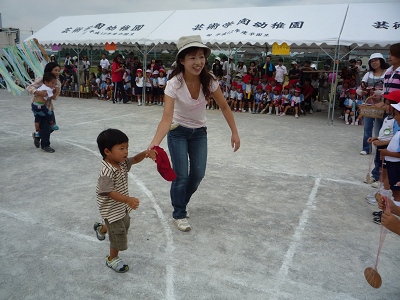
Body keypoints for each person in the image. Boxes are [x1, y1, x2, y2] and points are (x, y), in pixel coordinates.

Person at [148, 35, 240, 232]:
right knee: (181, 176)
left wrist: (234, 132)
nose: (198, 62)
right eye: (192, 57)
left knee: (197, 175)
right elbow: (166, 118)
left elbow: (224, 106)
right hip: (178, 132)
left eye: (201, 57)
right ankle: (179, 212)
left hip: (199, 133)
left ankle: (181, 202)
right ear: (182, 60)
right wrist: (154, 143)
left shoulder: (210, 81)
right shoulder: (174, 84)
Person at [93, 128, 156, 273]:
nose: (126, 151)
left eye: (127, 147)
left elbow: (134, 160)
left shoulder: (120, 162)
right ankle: (112, 259)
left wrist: (145, 154)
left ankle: (101, 228)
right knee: (118, 234)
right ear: (107, 151)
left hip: (121, 207)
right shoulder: (107, 172)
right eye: (121, 148)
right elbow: (108, 192)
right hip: (111, 208)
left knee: (123, 225)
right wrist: (127, 199)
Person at [27, 62, 61, 153]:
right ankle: (45, 145)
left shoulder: (58, 83)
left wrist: (56, 91)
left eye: (59, 70)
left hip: (48, 107)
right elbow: (30, 87)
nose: (57, 72)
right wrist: (39, 93)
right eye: (55, 70)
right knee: (46, 126)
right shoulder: (42, 79)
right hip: (38, 106)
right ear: (50, 70)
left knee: (52, 125)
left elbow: (55, 97)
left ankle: (38, 135)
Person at [358, 53, 387, 157]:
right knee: (367, 128)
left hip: (382, 105)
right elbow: (360, 88)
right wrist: (361, 92)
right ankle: (366, 148)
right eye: (372, 61)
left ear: (381, 61)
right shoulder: (368, 74)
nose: (374, 63)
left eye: (376, 60)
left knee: (379, 128)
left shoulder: (387, 72)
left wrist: (381, 93)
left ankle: (380, 148)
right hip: (369, 105)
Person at [31, 72, 59, 138]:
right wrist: (56, 91)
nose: (53, 85)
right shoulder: (48, 89)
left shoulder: (42, 86)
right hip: (40, 106)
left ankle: (37, 132)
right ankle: (52, 124)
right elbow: (53, 97)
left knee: (37, 120)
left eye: (54, 83)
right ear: (46, 82)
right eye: (52, 83)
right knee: (50, 114)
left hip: (34, 105)